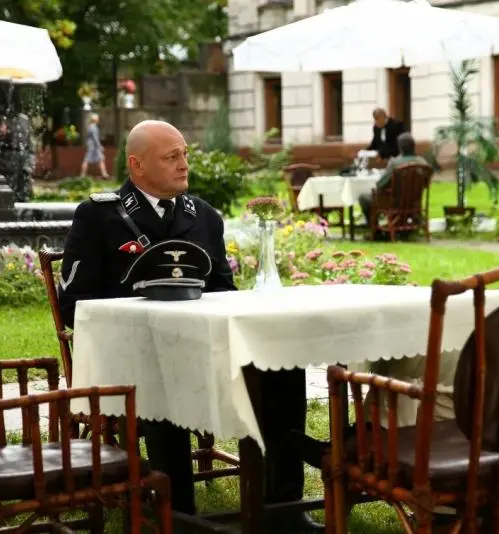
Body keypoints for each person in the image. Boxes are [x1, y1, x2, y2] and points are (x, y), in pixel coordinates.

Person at [58, 120, 320, 532]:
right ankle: (178, 515)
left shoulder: (205, 217)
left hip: (205, 349)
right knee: (161, 375)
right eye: (171, 157)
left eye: (184, 154)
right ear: (137, 165)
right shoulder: (99, 216)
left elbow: (224, 292)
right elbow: (73, 304)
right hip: (132, 359)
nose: (184, 164)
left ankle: (283, 506)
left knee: (282, 366)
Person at [358, 132, 429, 226]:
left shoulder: (395, 163)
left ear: (400, 148)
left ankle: (374, 226)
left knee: (363, 197)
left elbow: (380, 184)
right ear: (413, 146)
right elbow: (426, 183)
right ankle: (409, 221)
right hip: (415, 202)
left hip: (395, 202)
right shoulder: (423, 162)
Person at [80, 113, 110, 179]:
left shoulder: (91, 127)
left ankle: (104, 174)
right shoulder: (93, 127)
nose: (98, 120)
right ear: (95, 119)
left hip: (92, 147)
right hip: (94, 148)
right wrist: (99, 146)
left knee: (99, 160)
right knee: (89, 160)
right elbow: (95, 138)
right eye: (98, 118)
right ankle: (83, 175)